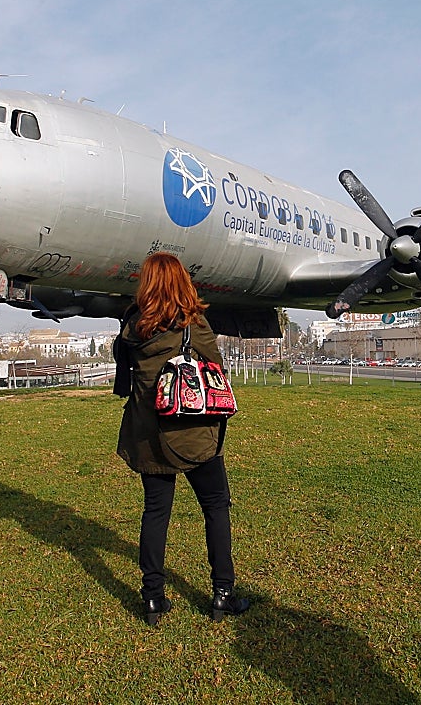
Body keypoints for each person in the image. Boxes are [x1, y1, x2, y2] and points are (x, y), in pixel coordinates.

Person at [113, 252, 250, 626]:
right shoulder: (193, 325)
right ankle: (223, 593)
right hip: (193, 433)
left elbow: (124, 376)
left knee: (155, 512)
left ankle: (153, 597)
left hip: (147, 434)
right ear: (182, 282)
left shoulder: (133, 326)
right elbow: (216, 369)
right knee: (215, 506)